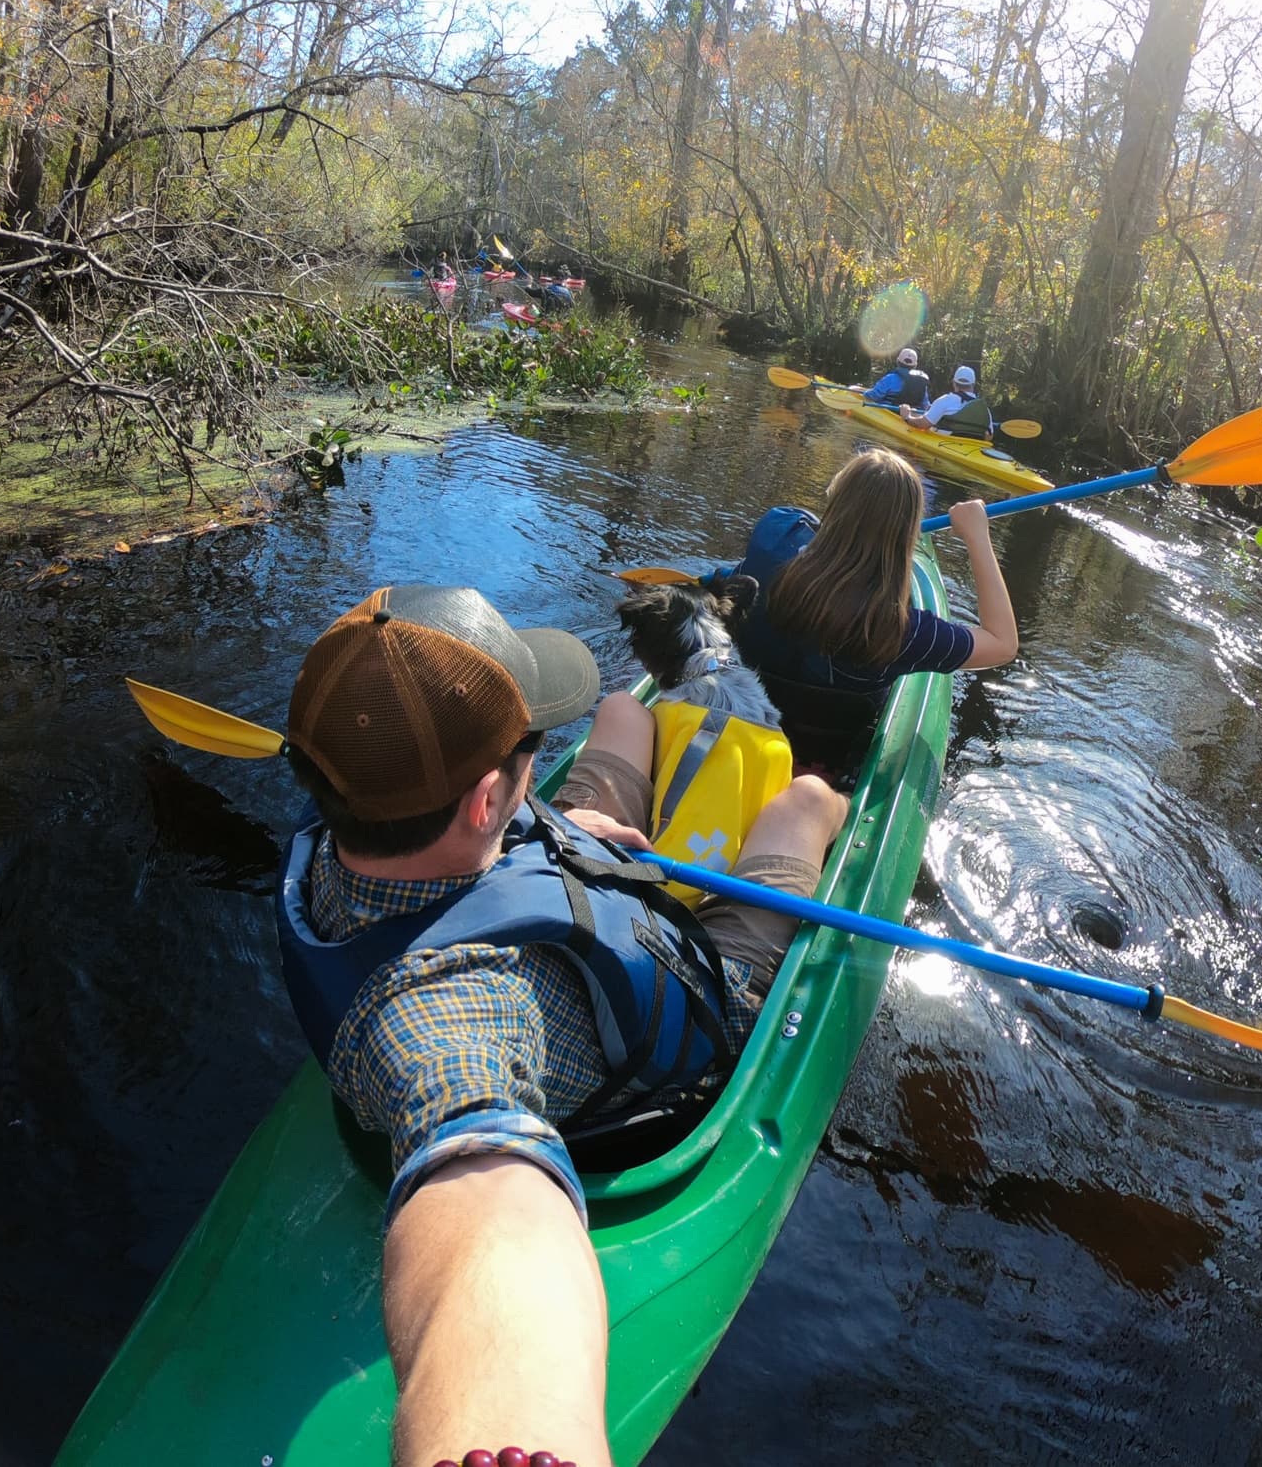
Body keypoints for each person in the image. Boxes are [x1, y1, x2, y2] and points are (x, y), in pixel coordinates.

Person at [275, 586, 847, 1466]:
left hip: (551, 862)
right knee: (808, 798)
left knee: (623, 711)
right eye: (529, 748)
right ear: (482, 798)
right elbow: (486, 1204)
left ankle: (577, 800)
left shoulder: (355, 817)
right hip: (708, 980)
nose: (536, 756)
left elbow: (472, 841)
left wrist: (554, 831)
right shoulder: (449, 1018)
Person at [705, 448, 1019, 774]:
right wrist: (978, 536)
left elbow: (800, 525)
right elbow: (1002, 643)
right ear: (906, 532)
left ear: (835, 502)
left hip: (737, 733)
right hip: (821, 765)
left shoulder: (771, 556)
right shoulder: (900, 631)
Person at [901, 363, 994, 439]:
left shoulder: (945, 400)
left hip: (946, 442)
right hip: (973, 448)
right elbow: (989, 436)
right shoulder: (984, 409)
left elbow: (923, 424)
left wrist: (907, 417)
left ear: (954, 383)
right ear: (973, 385)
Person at [857, 346, 931, 409]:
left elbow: (874, 396)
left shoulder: (890, 378)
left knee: (855, 390)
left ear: (898, 361)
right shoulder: (921, 383)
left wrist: (865, 394)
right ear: (915, 365)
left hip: (890, 412)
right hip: (911, 416)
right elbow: (925, 406)